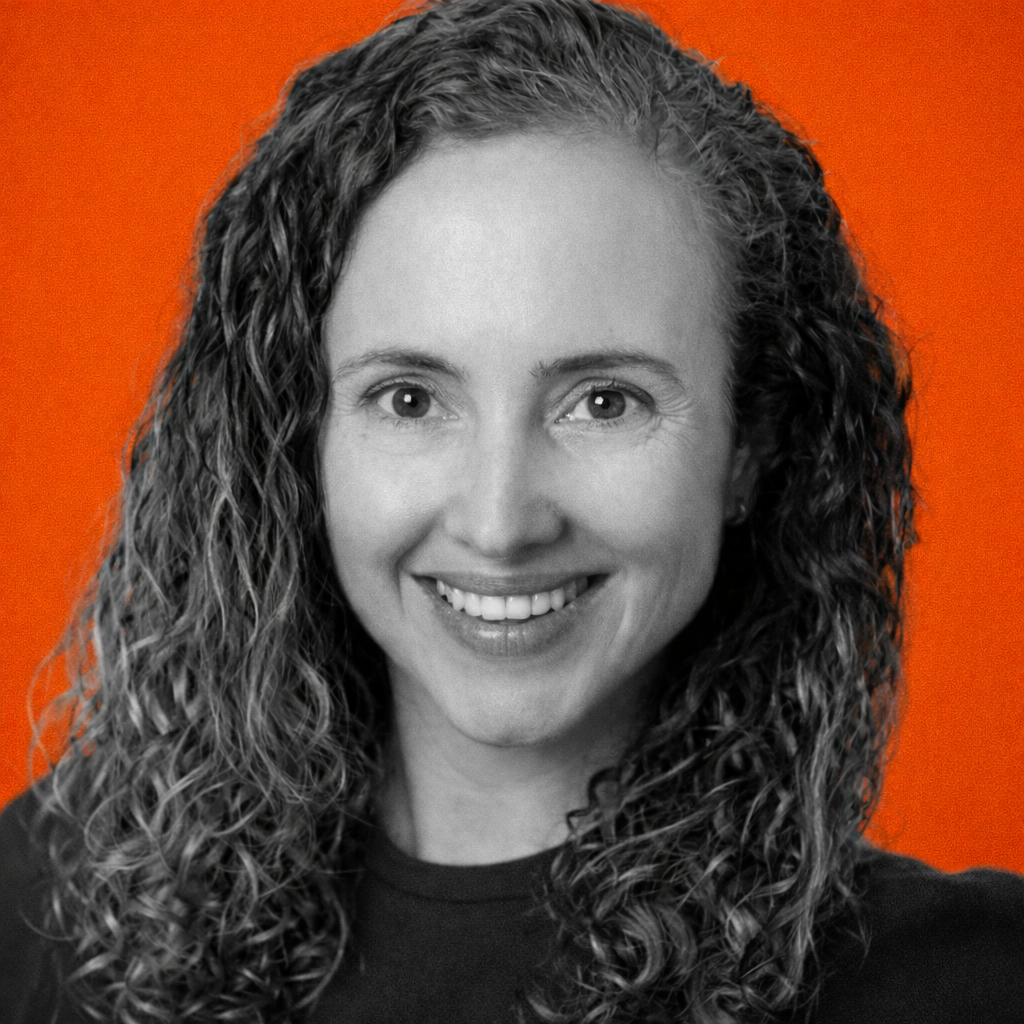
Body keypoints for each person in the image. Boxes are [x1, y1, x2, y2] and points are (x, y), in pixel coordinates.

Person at [1, 0, 1021, 1021]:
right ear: (300, 438)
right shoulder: (42, 905)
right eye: (409, 399)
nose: (498, 521)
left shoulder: (967, 982)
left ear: (749, 445)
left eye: (604, 401)